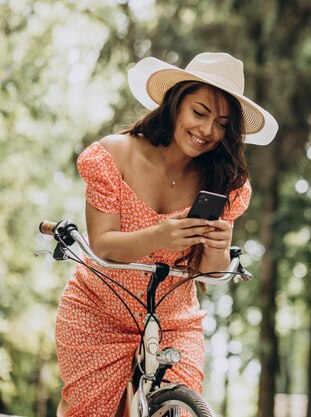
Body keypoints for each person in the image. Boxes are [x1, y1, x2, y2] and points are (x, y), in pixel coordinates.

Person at [55, 52, 278, 416]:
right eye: (199, 112)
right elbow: (103, 243)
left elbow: (210, 270)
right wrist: (160, 236)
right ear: (175, 103)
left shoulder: (225, 181)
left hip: (173, 321)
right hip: (97, 313)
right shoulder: (113, 155)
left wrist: (219, 248)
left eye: (221, 123)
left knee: (185, 410)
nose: (208, 131)